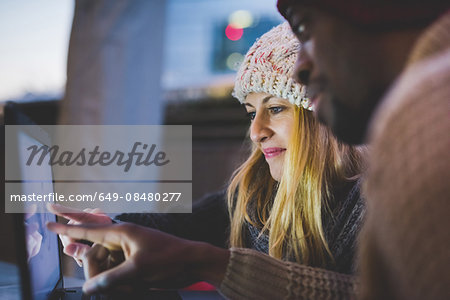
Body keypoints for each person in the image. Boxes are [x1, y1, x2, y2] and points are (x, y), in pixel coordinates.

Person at [48, 23, 366, 298]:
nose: (256, 132)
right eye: (252, 113)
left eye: (276, 108)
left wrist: (211, 263)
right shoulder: (254, 192)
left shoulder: (376, 208)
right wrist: (114, 230)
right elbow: (185, 227)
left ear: (325, 116)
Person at [276, 0, 450, 299]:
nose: (298, 70)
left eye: (305, 28)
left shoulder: (427, 122)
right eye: (250, 112)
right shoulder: (246, 195)